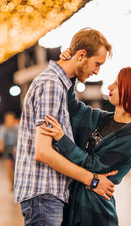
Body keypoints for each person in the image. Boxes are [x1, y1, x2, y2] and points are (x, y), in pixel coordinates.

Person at [14, 28, 116, 226]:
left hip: (46, 194)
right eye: (97, 64)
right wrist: (93, 180)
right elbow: (43, 152)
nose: (96, 71)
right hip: (44, 192)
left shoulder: (58, 83)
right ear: (81, 55)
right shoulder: (52, 84)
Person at [40, 61, 131, 225]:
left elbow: (95, 165)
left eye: (116, 84)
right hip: (78, 199)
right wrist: (71, 69)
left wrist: (62, 139)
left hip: (95, 207)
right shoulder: (104, 119)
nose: (109, 87)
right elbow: (73, 107)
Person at [0, 112, 19, 191]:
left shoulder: (17, 127)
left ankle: (18, 182)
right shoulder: (2, 129)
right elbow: (0, 140)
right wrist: (0, 146)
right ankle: (11, 183)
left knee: (17, 165)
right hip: (8, 148)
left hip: (17, 148)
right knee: (9, 165)